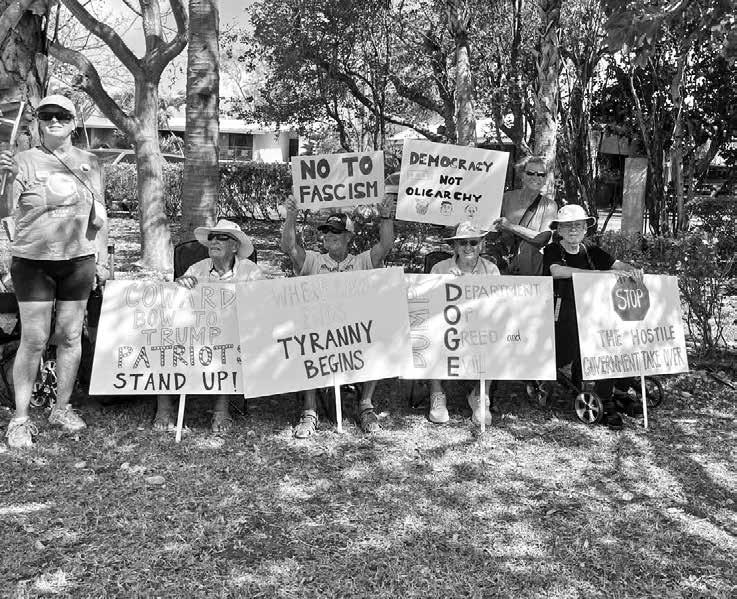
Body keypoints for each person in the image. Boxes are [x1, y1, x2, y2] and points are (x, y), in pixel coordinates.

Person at [0, 94, 109, 448]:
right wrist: (7, 178)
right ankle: (20, 419)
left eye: (62, 115)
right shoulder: (21, 161)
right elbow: (5, 211)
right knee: (34, 339)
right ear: (38, 122)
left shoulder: (90, 162)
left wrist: (101, 259)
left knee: (70, 336)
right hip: (33, 262)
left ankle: (62, 408)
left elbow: (100, 214)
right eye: (46, 115)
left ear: (74, 122)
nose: (54, 121)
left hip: (78, 261)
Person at [280, 184, 396, 439]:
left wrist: (386, 217)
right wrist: (291, 216)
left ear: (348, 236)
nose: (329, 235)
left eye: (336, 231)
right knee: (306, 341)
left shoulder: (362, 261)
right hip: (320, 329)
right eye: (326, 231)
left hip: (354, 330)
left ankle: (366, 405)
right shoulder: (313, 260)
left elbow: (385, 245)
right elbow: (289, 247)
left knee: (378, 336)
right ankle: (309, 411)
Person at [153, 219, 263, 433]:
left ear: (235, 246)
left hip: (234, 334)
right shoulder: (198, 268)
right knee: (161, 338)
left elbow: (260, 307)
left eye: (222, 237)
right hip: (195, 332)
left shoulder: (250, 272)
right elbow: (176, 302)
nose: (214, 241)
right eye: (212, 237)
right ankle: (164, 407)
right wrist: (181, 284)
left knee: (227, 342)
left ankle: (221, 409)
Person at [542, 204, 643, 430]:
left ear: (585, 229)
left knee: (618, 339)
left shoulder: (590, 249)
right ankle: (600, 396)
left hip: (593, 310)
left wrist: (632, 270)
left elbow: (617, 264)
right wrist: (599, 274)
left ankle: (617, 390)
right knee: (586, 344)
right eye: (568, 226)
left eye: (578, 225)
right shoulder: (553, 250)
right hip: (563, 311)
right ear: (559, 230)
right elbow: (556, 271)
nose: (573, 230)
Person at [427, 221, 500, 426]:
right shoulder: (439, 268)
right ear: (455, 246)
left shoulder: (491, 270)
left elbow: (497, 305)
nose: (468, 247)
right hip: (446, 324)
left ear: (481, 245)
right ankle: (436, 393)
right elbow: (429, 302)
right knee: (428, 334)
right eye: (462, 243)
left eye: (473, 242)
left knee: (496, 336)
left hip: (478, 325)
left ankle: (480, 394)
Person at [492, 156, 559, 275]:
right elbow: (491, 230)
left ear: (545, 179)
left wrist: (510, 226)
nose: (535, 177)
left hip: (532, 270)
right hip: (503, 268)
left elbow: (542, 238)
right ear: (522, 175)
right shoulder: (506, 198)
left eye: (541, 174)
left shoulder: (550, 205)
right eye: (530, 173)